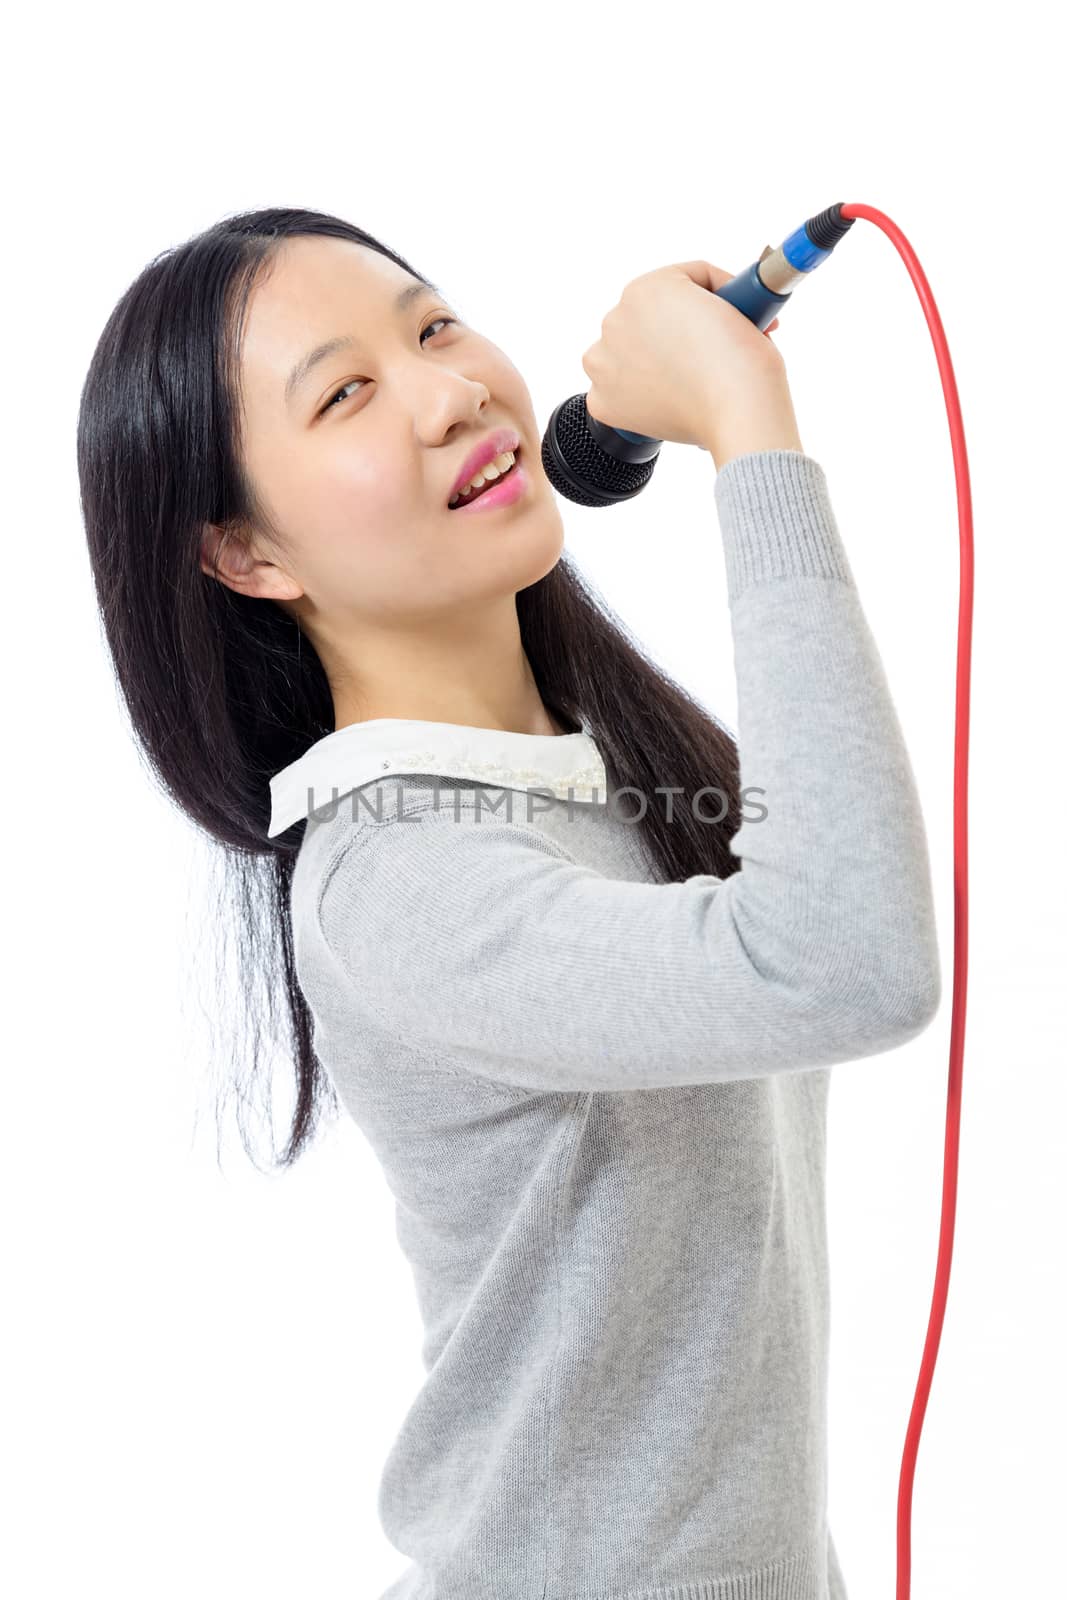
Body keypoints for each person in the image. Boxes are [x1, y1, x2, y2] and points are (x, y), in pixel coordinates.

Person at [77, 206, 940, 1600]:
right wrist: (748, 433)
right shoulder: (400, 880)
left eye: (432, 327)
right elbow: (846, 959)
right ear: (248, 556)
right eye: (347, 392)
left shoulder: (597, 777)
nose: (447, 391)